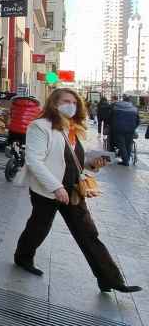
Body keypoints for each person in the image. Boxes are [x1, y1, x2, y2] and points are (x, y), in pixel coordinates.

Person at [13, 88, 141, 293]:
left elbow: (75, 160)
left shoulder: (72, 128)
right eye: (65, 101)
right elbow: (34, 161)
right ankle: (23, 257)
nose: (71, 105)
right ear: (54, 103)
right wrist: (55, 187)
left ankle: (110, 279)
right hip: (47, 190)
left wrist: (93, 164)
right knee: (39, 226)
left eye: (74, 102)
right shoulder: (40, 126)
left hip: (73, 189)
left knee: (88, 233)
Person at [109, 97, 140, 166]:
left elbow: (110, 118)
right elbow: (138, 121)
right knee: (128, 145)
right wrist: (133, 127)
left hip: (118, 128)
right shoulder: (134, 108)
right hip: (130, 129)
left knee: (121, 144)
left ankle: (125, 161)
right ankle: (126, 160)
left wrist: (111, 126)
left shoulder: (115, 107)